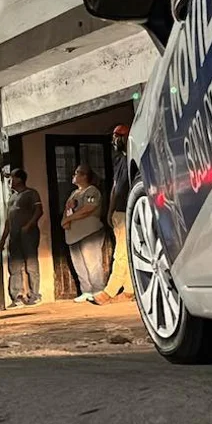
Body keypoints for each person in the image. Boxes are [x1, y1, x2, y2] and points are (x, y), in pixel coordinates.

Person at [94, 125, 134, 305]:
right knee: (124, 250)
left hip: (131, 209)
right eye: (114, 137)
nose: (115, 140)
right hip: (119, 211)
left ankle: (110, 291)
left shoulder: (135, 156)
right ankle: (129, 290)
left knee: (122, 253)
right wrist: (110, 211)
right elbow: (115, 187)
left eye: (118, 136)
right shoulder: (118, 160)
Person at [62, 164, 106, 303]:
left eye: (77, 173)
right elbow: (68, 209)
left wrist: (69, 218)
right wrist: (65, 220)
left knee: (92, 262)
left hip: (89, 232)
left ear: (85, 176)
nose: (73, 176)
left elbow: (88, 208)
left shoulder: (92, 191)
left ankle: (98, 290)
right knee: (79, 263)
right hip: (73, 234)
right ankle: (86, 290)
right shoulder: (74, 193)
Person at [0, 168, 42, 307]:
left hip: (28, 235)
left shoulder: (31, 193)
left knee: (31, 264)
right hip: (14, 237)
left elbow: (39, 211)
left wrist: (29, 226)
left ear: (20, 179)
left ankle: (35, 295)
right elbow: (8, 221)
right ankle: (16, 297)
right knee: (15, 267)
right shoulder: (11, 198)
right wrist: (3, 238)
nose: (10, 181)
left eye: (12, 178)